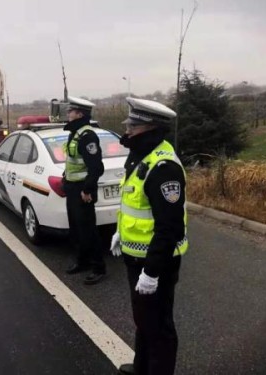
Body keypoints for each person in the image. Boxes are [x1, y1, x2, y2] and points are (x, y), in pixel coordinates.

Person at [111, 97, 188, 375]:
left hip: (157, 262)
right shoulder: (141, 154)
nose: (127, 130)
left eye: (133, 125)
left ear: (150, 128)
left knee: (159, 329)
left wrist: (152, 272)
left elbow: (170, 228)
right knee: (144, 320)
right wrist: (120, 232)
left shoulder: (163, 167)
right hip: (138, 256)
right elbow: (135, 204)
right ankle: (142, 366)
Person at [63, 96, 106, 285]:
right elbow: (73, 161)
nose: (68, 113)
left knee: (88, 229)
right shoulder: (75, 132)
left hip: (83, 190)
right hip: (73, 188)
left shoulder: (88, 135)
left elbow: (96, 167)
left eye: (70, 111)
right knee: (76, 228)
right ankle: (82, 261)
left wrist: (88, 189)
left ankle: (99, 267)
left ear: (79, 114)